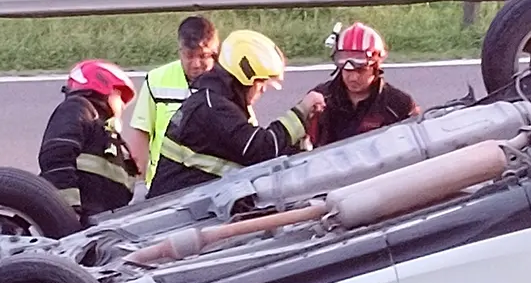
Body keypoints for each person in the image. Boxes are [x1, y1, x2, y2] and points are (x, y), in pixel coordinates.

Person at [146, 29, 325, 199]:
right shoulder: (213, 109)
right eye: (261, 82)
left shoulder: (215, 100)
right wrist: (301, 112)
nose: (263, 89)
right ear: (244, 78)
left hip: (186, 202)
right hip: (173, 212)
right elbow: (260, 149)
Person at [123, 15, 220, 193]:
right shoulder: (157, 80)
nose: (196, 64)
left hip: (212, 186)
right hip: (164, 187)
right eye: (189, 56)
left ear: (216, 51)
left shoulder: (228, 82)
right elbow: (141, 135)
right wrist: (140, 186)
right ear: (180, 51)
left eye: (204, 56)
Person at [39, 59, 142, 225]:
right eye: (119, 96)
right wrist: (67, 211)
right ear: (103, 87)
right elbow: (57, 156)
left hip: (101, 223)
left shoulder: (107, 134)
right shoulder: (79, 109)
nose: (123, 106)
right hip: (78, 222)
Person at [305, 22, 420, 148]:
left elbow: (416, 149)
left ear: (376, 67)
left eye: (361, 71)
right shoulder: (318, 100)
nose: (353, 78)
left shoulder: (399, 105)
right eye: (347, 70)